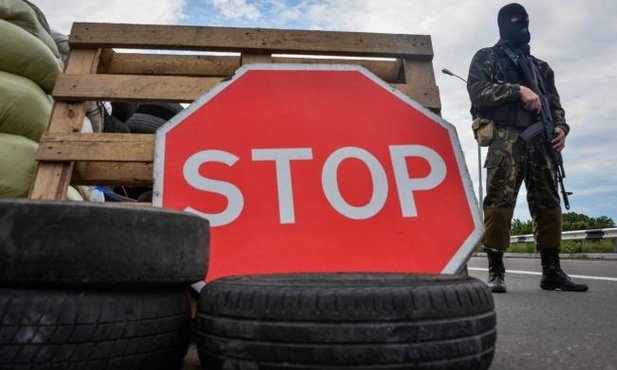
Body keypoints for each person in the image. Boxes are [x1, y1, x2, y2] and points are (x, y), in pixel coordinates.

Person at [466, 3, 588, 293]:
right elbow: (477, 91)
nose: (523, 26)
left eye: (526, 21)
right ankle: (496, 270)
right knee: (499, 201)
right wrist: (517, 90)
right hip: (505, 138)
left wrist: (561, 128)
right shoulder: (488, 57)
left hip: (542, 140)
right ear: (503, 25)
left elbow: (555, 105)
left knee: (548, 202)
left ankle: (552, 271)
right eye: (516, 20)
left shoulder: (542, 68)